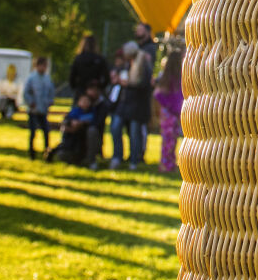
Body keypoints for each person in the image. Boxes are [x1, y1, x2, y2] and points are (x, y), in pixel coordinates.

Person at [108, 41, 152, 169]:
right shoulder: (127, 65)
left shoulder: (143, 65)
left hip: (137, 106)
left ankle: (134, 160)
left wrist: (129, 84)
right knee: (115, 127)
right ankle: (117, 156)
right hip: (124, 104)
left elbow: (144, 85)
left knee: (134, 133)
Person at [152, 43, 184, 175]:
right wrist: (168, 105)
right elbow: (158, 93)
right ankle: (165, 164)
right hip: (169, 112)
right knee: (168, 139)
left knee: (173, 138)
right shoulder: (168, 77)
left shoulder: (180, 77)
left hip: (175, 112)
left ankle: (170, 163)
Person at [49, 90, 98, 166]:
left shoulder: (92, 113)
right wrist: (71, 123)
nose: (85, 103)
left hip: (82, 142)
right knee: (63, 154)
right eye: (83, 101)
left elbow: (94, 123)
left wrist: (80, 124)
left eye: (87, 101)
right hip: (70, 141)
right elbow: (64, 122)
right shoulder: (74, 112)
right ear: (78, 102)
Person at [22, 56, 55, 159]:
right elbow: (26, 92)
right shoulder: (31, 78)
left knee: (46, 132)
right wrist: (30, 102)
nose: (44, 68)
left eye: (45, 66)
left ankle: (47, 151)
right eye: (43, 65)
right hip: (33, 110)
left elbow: (51, 92)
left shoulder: (47, 78)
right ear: (37, 66)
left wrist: (49, 102)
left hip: (43, 110)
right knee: (33, 132)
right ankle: (32, 153)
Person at [68, 33, 105, 98]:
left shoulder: (78, 59)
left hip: (80, 92)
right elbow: (106, 78)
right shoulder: (99, 59)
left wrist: (76, 87)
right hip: (95, 92)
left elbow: (72, 78)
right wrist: (99, 87)